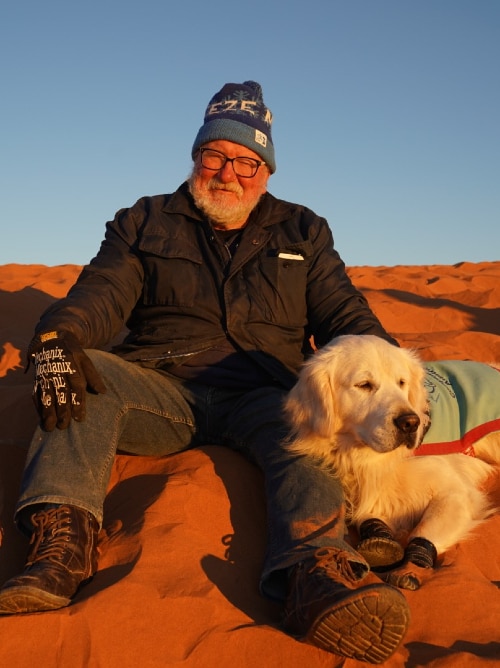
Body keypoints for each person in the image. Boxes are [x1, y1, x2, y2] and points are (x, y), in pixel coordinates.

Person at [0, 81, 410, 663]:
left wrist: (391, 372)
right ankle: (60, 547)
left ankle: (315, 574)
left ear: (265, 170)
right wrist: (58, 337)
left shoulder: (303, 231)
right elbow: (101, 295)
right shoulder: (142, 221)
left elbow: (346, 315)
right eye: (216, 155)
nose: (229, 173)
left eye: (247, 161)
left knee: (312, 434)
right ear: (196, 157)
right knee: (78, 377)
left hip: (267, 392)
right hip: (164, 387)